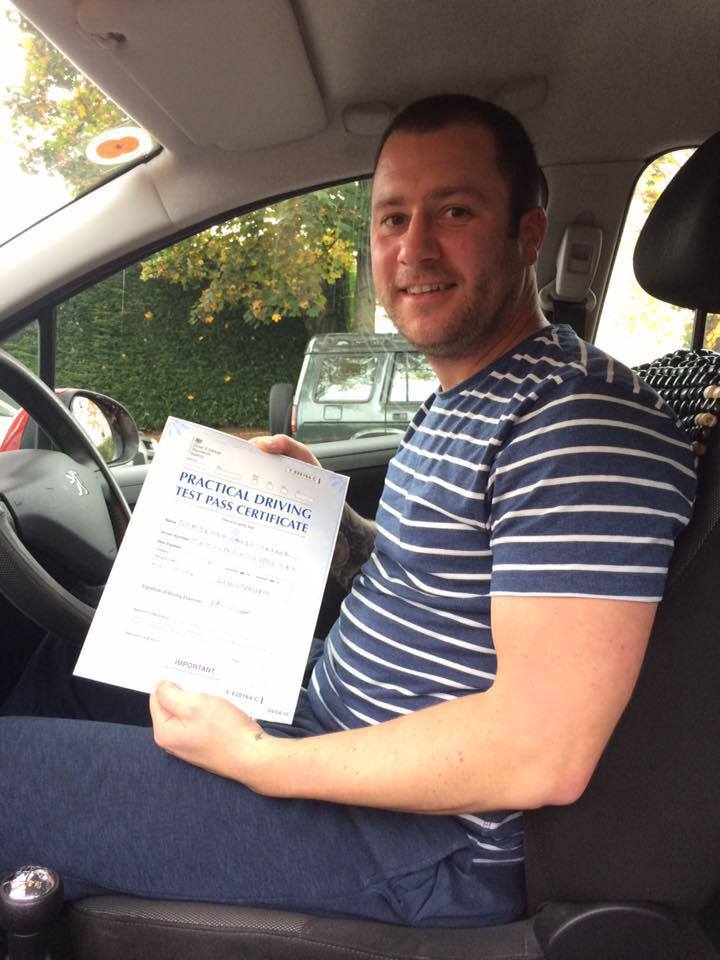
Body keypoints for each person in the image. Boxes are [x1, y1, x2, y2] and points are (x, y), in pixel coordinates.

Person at [0, 95, 696, 929]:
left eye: (455, 212)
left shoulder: (579, 423)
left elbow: (539, 749)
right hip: (329, 725)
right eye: (393, 218)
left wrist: (257, 760)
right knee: (67, 668)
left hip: (422, 842)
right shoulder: (473, 393)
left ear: (529, 235)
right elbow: (436, 579)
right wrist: (329, 516)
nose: (414, 248)